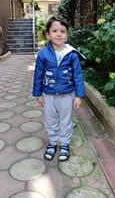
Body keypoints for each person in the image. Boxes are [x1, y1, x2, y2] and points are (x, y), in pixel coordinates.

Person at [32, 16, 85, 162]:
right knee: (50, 120)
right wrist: (38, 94)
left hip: (67, 95)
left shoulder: (72, 54)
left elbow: (78, 75)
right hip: (48, 95)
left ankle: (65, 144)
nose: (59, 34)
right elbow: (38, 75)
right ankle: (53, 143)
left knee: (65, 120)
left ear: (67, 34)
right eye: (55, 31)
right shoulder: (43, 54)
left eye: (63, 31)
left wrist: (79, 96)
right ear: (48, 34)